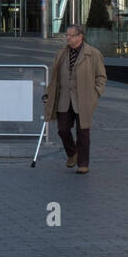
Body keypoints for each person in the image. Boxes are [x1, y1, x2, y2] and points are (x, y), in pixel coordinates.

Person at [43, 24, 107, 174]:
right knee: (62, 130)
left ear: (80, 37)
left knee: (83, 131)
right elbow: (54, 78)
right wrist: (49, 93)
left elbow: (101, 77)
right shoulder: (61, 54)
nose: (68, 38)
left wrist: (95, 93)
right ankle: (72, 153)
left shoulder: (93, 54)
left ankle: (83, 163)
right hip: (64, 98)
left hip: (84, 98)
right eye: (67, 35)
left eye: (71, 35)